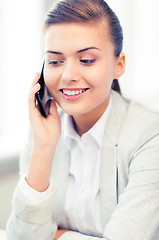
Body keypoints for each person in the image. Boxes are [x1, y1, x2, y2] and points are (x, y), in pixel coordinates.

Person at [6, 0, 159, 239]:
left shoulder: (149, 137)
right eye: (55, 61)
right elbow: (20, 237)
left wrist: (57, 235)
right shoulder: (42, 132)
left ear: (119, 65)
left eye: (86, 60)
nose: (68, 76)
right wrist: (44, 149)